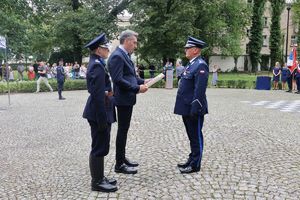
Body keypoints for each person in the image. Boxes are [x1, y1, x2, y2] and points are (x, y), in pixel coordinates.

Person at [108, 29, 148, 174]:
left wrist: (143, 81)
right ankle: (119, 164)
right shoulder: (118, 56)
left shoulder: (124, 55)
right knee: (122, 131)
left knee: (124, 131)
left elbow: (130, 76)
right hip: (123, 99)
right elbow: (118, 79)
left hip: (127, 99)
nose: (135, 45)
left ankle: (122, 158)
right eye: (134, 42)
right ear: (126, 41)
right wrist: (137, 88)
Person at [82, 33, 118, 192]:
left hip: (101, 108)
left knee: (102, 145)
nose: (108, 50)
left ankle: (100, 177)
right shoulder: (96, 64)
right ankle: (96, 182)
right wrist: (102, 119)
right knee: (98, 146)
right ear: (98, 49)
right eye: (105, 48)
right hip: (98, 111)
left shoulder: (97, 62)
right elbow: (96, 94)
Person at [174, 36, 209, 174]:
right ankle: (192, 158)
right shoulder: (191, 64)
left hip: (194, 108)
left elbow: (199, 90)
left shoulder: (200, 64)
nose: (185, 50)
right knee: (191, 135)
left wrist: (195, 107)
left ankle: (195, 164)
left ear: (195, 50)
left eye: (188, 48)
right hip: (186, 107)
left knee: (196, 136)